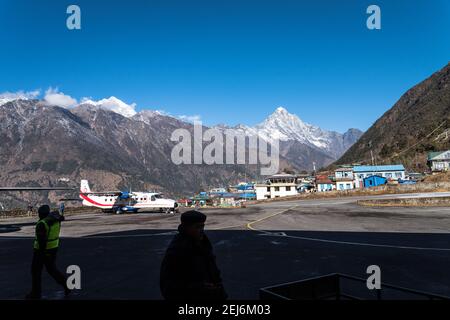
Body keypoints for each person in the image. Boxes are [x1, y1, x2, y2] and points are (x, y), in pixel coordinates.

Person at [160, 210, 227, 300]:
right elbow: (170, 283)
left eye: (202, 226)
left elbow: (211, 267)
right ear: (186, 227)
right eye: (197, 227)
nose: (201, 230)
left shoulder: (203, 241)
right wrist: (199, 287)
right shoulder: (178, 249)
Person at [25, 205, 69, 299]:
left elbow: (42, 241)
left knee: (36, 272)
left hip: (41, 251)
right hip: (53, 249)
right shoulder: (56, 220)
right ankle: (66, 285)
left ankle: (36, 293)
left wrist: (41, 253)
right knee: (52, 270)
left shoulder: (42, 224)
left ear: (41, 214)